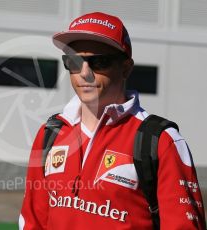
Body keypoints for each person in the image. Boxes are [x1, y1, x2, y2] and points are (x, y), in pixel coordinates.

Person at [19, 12, 206, 229]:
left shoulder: (162, 141)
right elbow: (33, 222)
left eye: (100, 62)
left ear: (126, 68)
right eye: (74, 61)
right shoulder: (49, 134)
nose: (84, 73)